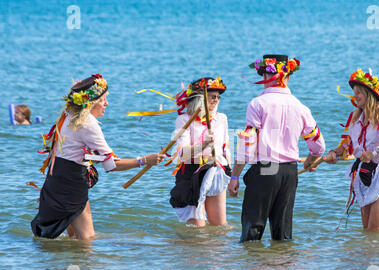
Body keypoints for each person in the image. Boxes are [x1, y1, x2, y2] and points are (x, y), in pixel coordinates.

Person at [31, 74, 165, 240]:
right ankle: (84, 265)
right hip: (71, 185)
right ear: (91, 103)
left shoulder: (67, 115)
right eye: (103, 100)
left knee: (72, 238)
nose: (107, 104)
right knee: (87, 239)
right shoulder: (88, 123)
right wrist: (145, 160)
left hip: (56, 181)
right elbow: (111, 165)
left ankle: (65, 265)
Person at [227, 54, 326, 242]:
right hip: (289, 171)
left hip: (265, 169)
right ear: (287, 78)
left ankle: (254, 269)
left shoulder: (257, 104)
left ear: (265, 76)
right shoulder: (300, 107)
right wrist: (313, 159)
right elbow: (318, 145)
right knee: (283, 233)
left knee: (252, 230)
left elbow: (248, 146)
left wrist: (235, 176)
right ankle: (283, 269)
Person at [324, 68, 379, 231]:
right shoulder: (355, 119)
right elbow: (348, 145)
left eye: (359, 92)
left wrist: (375, 151)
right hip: (364, 175)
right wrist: (334, 152)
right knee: (367, 232)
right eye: (354, 92)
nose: (355, 96)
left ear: (369, 95)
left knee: (376, 231)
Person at [169, 77, 231, 227]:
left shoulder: (222, 118)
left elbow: (225, 149)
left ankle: (222, 250)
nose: (216, 100)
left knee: (220, 225)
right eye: (212, 96)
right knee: (197, 228)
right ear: (199, 98)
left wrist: (231, 176)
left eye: (218, 97)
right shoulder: (184, 120)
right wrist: (203, 145)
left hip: (216, 170)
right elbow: (182, 154)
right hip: (191, 172)